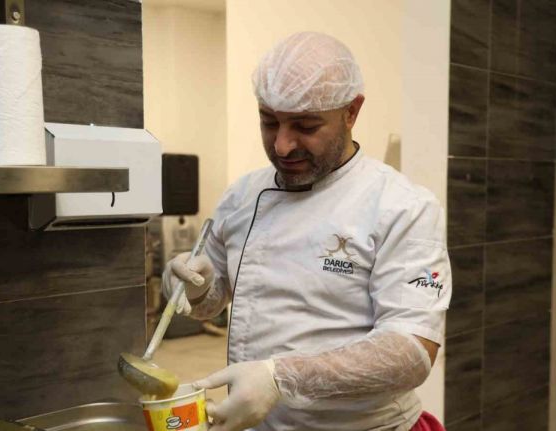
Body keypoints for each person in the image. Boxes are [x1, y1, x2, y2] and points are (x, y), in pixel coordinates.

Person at [161, 31, 451, 431]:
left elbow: (411, 352)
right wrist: (195, 286)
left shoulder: (403, 206)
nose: (282, 146)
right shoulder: (242, 196)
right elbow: (208, 306)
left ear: (351, 112)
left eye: (306, 126)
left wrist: (282, 377)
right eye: (269, 122)